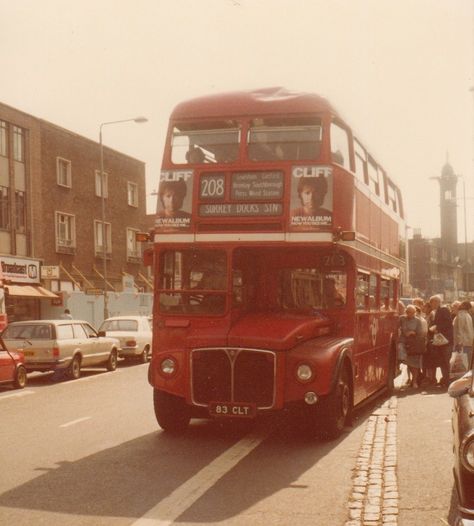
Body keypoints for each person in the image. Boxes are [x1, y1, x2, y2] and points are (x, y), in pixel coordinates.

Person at [428, 294, 453, 386]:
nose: (431, 305)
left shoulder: (444, 310)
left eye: (432, 302)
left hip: (446, 340)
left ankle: (447, 380)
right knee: (442, 361)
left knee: (445, 361)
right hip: (441, 341)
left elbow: (448, 323)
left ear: (437, 302)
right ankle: (445, 380)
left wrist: (437, 328)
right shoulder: (437, 311)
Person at [398, 304, 424, 388]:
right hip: (404, 342)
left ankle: (415, 381)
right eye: (408, 312)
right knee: (408, 362)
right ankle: (412, 380)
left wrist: (413, 332)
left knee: (414, 364)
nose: (410, 314)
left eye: (412, 313)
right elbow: (397, 328)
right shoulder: (402, 319)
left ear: (415, 313)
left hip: (413, 344)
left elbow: (420, 333)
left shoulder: (417, 321)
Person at [453, 300, 474, 366]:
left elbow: (460, 330)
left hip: (465, 342)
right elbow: (461, 330)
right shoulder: (465, 315)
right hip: (467, 342)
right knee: (467, 362)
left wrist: (459, 342)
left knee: (466, 363)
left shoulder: (462, 315)